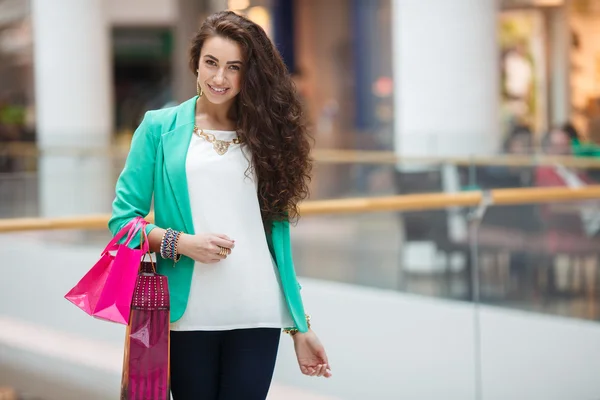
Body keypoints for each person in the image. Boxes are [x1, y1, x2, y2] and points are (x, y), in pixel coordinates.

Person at [108, 11, 331, 400]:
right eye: (211, 63)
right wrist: (181, 242)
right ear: (195, 62)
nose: (219, 78)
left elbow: (276, 244)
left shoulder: (266, 134)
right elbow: (122, 222)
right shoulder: (159, 128)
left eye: (234, 67)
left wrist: (299, 325)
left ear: (250, 75)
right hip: (187, 312)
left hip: (256, 309)